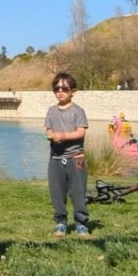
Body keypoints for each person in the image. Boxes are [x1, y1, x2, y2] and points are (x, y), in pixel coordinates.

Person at [44, 72, 90, 239]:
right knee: (57, 193)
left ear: (73, 91)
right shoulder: (51, 111)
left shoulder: (78, 111)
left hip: (76, 159)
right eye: (56, 88)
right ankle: (61, 222)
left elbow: (80, 132)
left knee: (78, 192)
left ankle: (81, 224)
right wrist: (50, 135)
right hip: (55, 159)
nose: (60, 91)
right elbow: (48, 129)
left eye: (65, 88)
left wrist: (63, 136)